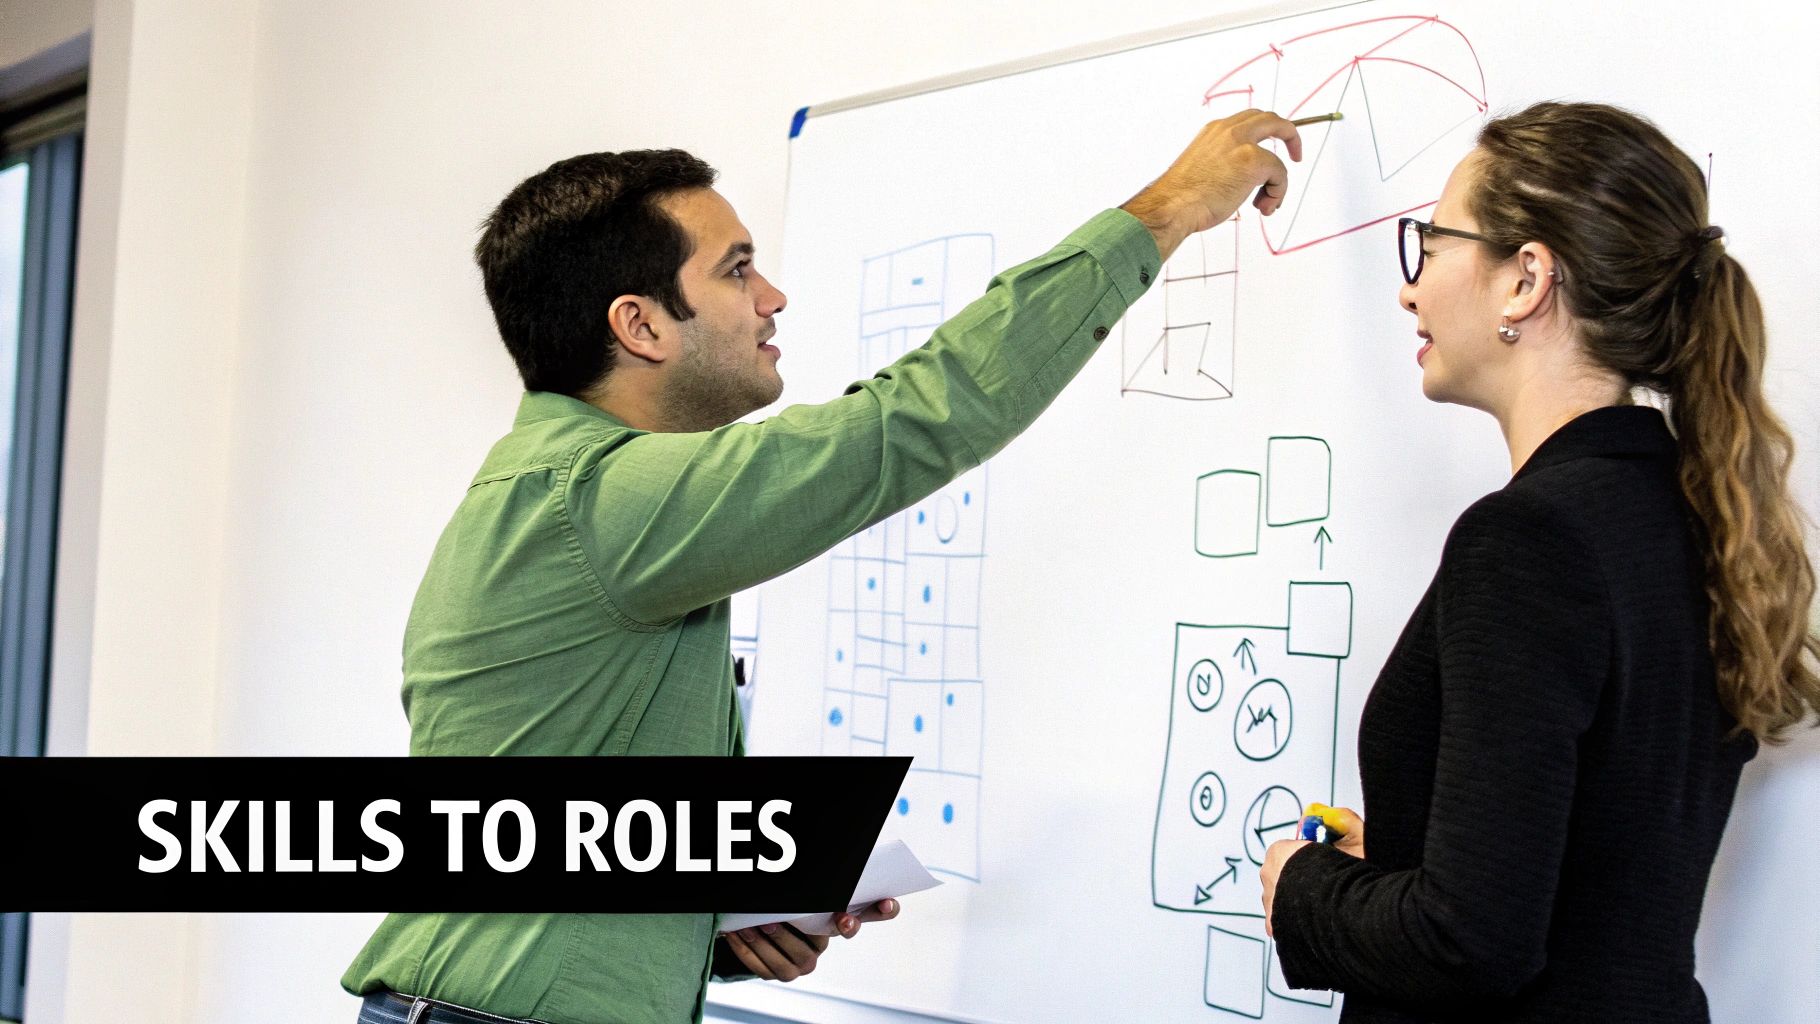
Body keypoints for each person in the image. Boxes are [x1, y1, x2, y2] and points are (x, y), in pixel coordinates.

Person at [342, 111, 1306, 1024]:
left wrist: (708, 920)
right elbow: (918, 417)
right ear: (640, 326)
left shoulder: (557, 497)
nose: (773, 299)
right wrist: (1171, 206)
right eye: (738, 271)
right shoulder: (604, 500)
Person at [1258, 101, 1820, 1023]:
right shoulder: (1692, 517)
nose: (1410, 290)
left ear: (1525, 280)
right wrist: (1397, 859)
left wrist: (1307, 890)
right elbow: (1585, 877)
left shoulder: (1527, 541)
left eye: (1431, 245)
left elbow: (1471, 942)